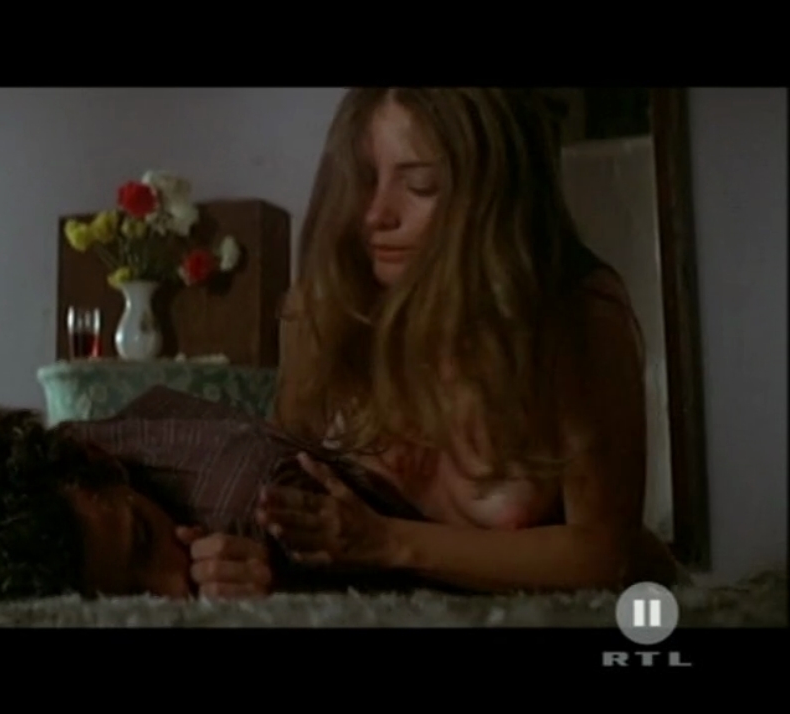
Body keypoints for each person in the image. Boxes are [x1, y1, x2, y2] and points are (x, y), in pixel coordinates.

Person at [258, 87, 683, 593]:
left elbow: (605, 554)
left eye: (420, 185)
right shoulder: (325, 309)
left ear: (493, 199)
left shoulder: (574, 315)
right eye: (365, 180)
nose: (376, 214)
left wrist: (387, 541)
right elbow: (269, 482)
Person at [0, 386, 431, 600]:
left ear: (99, 460)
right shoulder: (68, 459)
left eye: (143, 539)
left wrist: (289, 592)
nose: (174, 588)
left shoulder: (252, 507)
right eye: (128, 597)